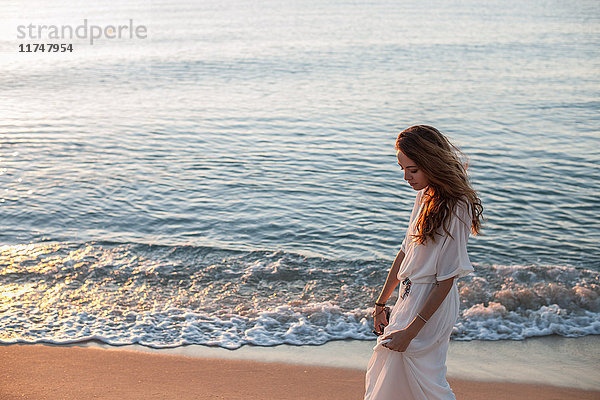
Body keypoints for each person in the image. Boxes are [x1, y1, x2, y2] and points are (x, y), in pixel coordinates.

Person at [364, 125, 483, 400]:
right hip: (410, 295)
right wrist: (381, 303)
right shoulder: (424, 195)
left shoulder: (458, 204)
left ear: (431, 162)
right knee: (391, 371)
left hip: (432, 303)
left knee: (424, 381)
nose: (406, 177)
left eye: (413, 170)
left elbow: (447, 279)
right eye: (402, 169)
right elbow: (405, 252)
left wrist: (410, 331)